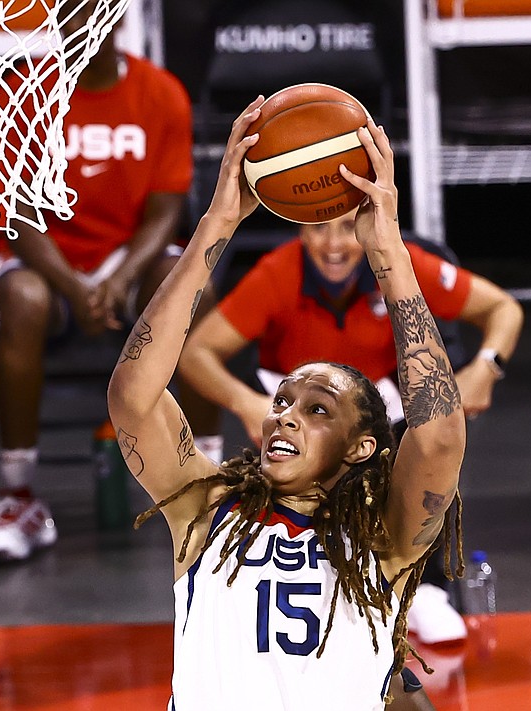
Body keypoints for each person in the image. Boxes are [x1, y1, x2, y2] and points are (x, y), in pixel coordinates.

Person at [108, 100, 466, 708]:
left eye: (318, 408)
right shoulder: (208, 511)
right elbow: (133, 399)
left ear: (363, 446)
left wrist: (389, 254)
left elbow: (437, 438)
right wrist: (217, 223)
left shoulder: (384, 536)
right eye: (283, 400)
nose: (285, 414)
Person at [178, 208, 523, 644]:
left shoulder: (401, 265)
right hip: (300, 415)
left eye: (346, 228)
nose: (335, 245)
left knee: (433, 436)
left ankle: (423, 586)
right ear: (300, 230)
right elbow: (196, 352)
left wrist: (485, 368)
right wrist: (248, 403)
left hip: (376, 409)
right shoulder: (276, 274)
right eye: (319, 227)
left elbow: (504, 308)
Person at [0, 0, 220, 563]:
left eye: (95, 12)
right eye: (71, 12)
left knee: (192, 289)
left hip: (125, 259)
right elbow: (14, 215)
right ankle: (17, 496)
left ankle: (205, 484)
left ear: (118, 21)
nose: (83, 23)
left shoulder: (161, 93)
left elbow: (165, 211)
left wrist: (117, 279)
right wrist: (72, 286)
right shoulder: (16, 95)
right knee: (23, 299)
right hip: (47, 263)